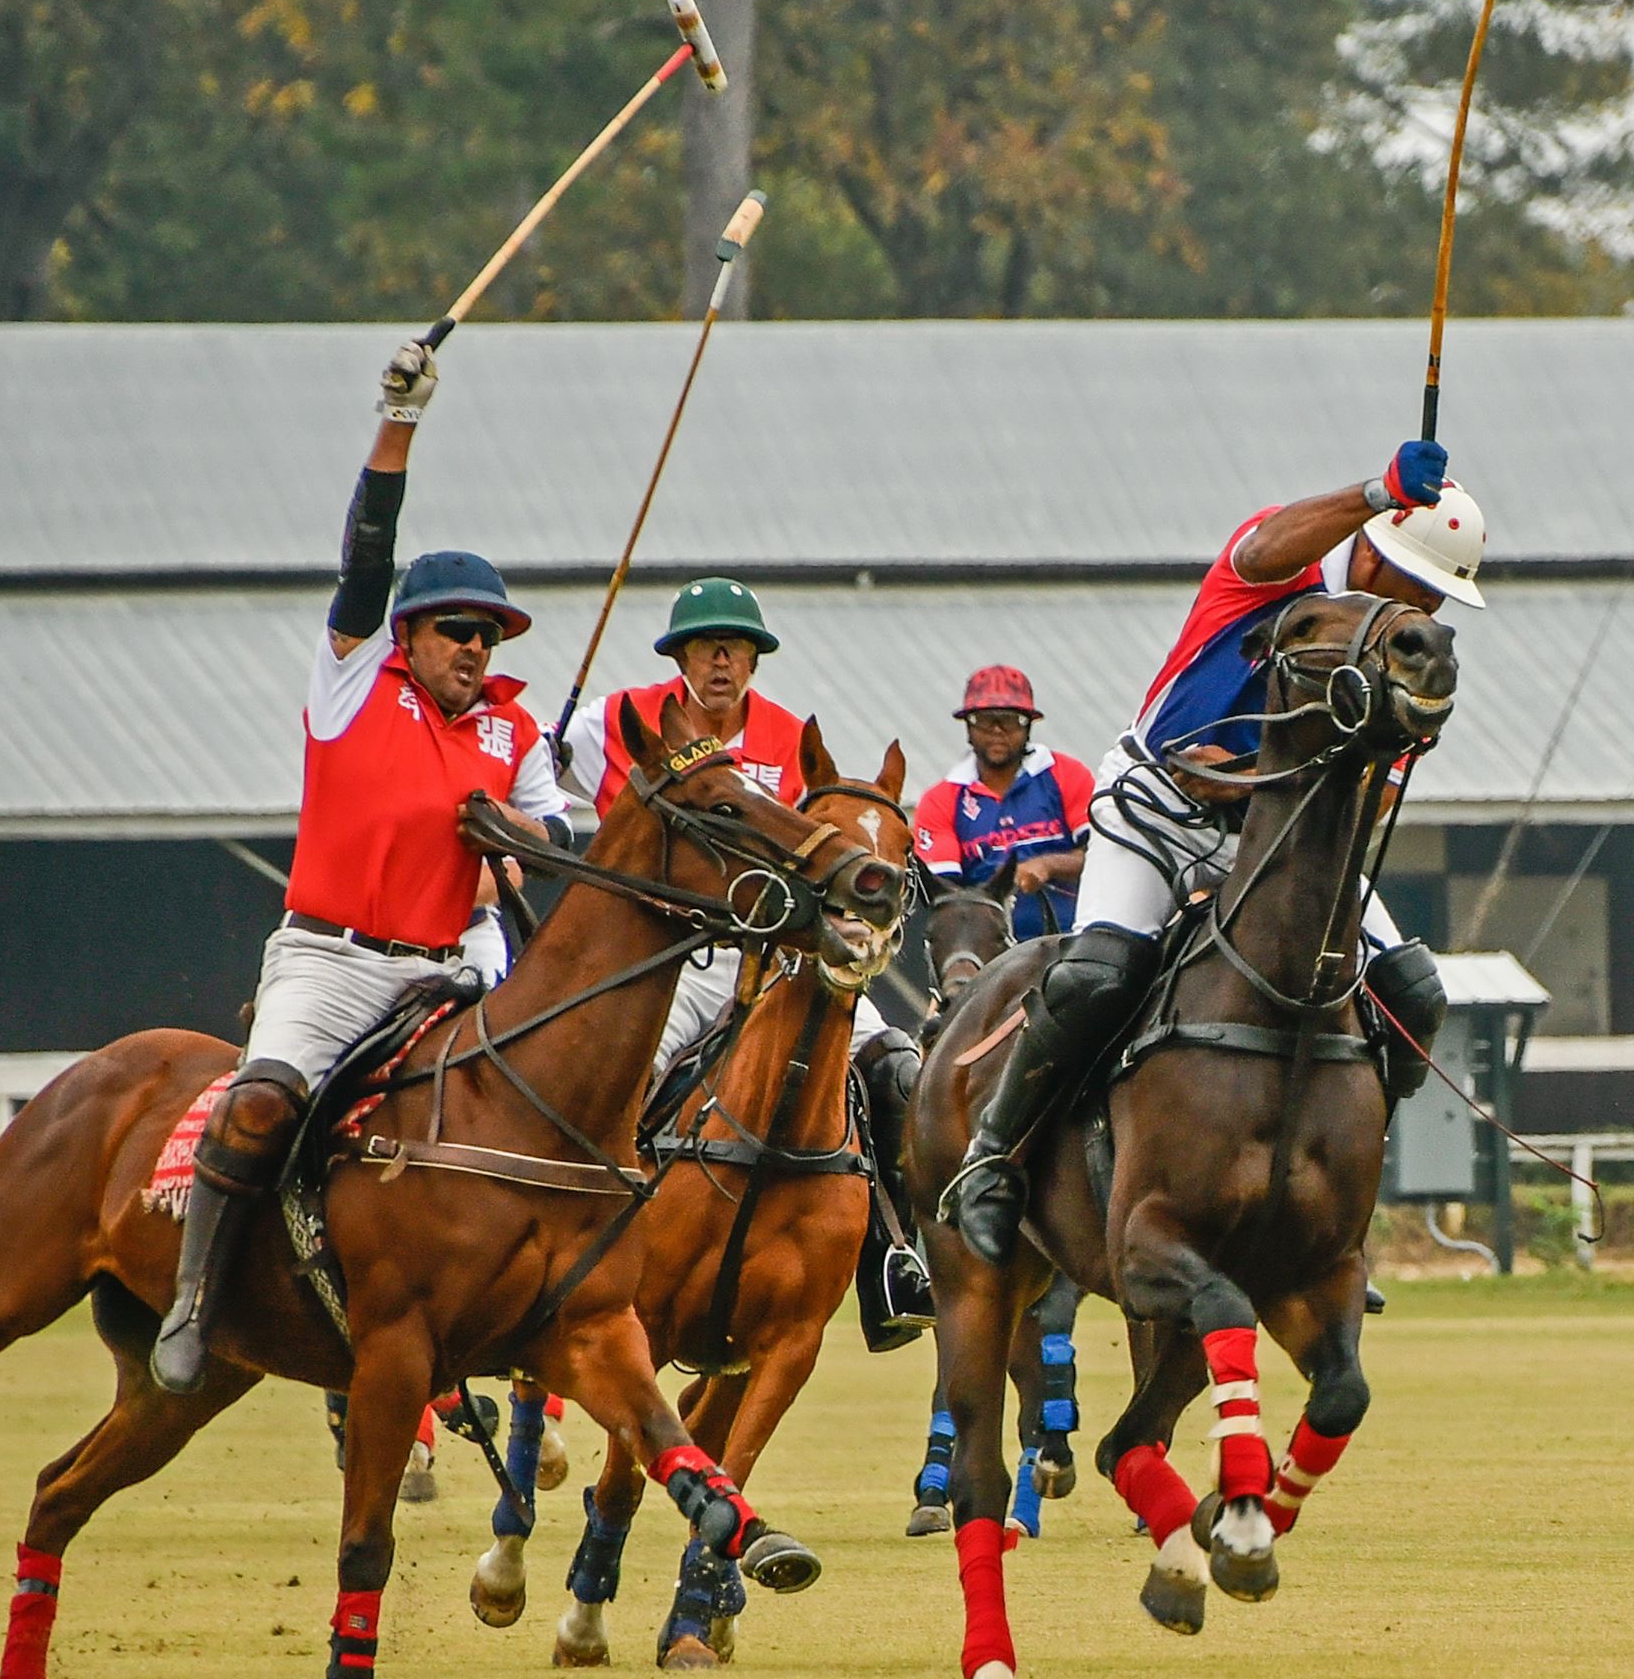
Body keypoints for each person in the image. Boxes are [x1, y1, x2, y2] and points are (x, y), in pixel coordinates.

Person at [152, 337, 572, 1393]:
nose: (475, 647)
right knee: (260, 1104)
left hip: (444, 971)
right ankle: (196, 1298)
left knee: (537, 1099)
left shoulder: (517, 733)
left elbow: (561, 842)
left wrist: (509, 841)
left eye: (490, 634)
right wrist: (400, 425)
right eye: (456, 629)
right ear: (409, 635)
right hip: (328, 963)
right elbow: (366, 558)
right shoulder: (351, 681)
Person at [949, 439, 1481, 1268]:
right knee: (1097, 976)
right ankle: (994, 1156)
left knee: (1414, 992)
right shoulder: (1284, 569)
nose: (1428, 610)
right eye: (1422, 585)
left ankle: (1337, 1204)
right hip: (1158, 810)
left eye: (1442, 597)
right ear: (1376, 555)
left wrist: (1275, 779)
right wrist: (1378, 491)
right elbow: (1260, 553)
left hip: (1287, 843)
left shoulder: (1400, 669)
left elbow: (1375, 801)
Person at [561, 579, 933, 1347]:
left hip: (775, 957)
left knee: (895, 1066)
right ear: (681, 657)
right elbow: (534, 768)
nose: (722, 662)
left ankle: (892, 1257)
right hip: (668, 958)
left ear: (755, 660)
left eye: (736, 648)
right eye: (707, 647)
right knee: (614, 1084)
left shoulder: (791, 741)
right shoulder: (620, 718)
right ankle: (567, 1252)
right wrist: (543, 744)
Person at [914, 667, 1094, 940]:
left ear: (1028, 725)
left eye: (1010, 721)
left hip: (1074, 941)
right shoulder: (940, 800)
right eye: (985, 721)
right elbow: (942, 892)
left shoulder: (1067, 774)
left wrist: (1048, 865)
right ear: (968, 728)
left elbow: (1103, 855)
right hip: (986, 951)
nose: (997, 731)